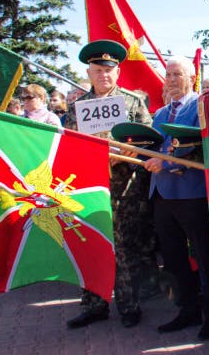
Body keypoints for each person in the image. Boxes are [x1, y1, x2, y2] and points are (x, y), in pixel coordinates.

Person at [65, 40, 152, 329]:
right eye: (98, 70)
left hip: (125, 190)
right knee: (90, 246)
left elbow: (149, 141)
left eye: (109, 70)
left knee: (126, 248)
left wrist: (132, 150)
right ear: (89, 73)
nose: (104, 75)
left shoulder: (133, 102)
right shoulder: (77, 108)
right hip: (90, 190)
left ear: (118, 73)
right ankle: (94, 304)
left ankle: (129, 306)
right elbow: (66, 148)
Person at [144, 57, 209, 340]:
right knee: (173, 259)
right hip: (161, 194)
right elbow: (153, 144)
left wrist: (169, 163)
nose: (171, 79)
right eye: (168, 75)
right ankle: (187, 310)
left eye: (177, 74)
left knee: (205, 257)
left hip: (191, 194)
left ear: (191, 78)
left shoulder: (200, 107)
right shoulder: (160, 114)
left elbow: (200, 147)